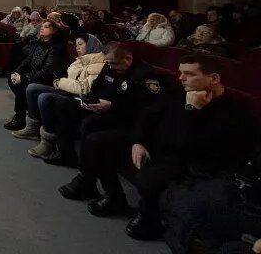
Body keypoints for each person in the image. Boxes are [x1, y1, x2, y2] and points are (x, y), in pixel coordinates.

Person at [76, 53, 258, 240]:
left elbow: (195, 147)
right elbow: (148, 115)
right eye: (180, 73)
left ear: (213, 78)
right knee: (95, 142)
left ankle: (150, 218)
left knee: (149, 178)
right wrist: (138, 141)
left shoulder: (234, 109)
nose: (181, 78)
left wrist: (192, 111)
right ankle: (114, 197)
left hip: (188, 159)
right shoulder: (178, 91)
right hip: (156, 144)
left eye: (189, 74)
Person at [55, 41, 168, 172]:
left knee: (89, 124)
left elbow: (143, 109)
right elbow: (96, 86)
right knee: (63, 105)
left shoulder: (144, 75)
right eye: (108, 63)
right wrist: (90, 100)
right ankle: (66, 154)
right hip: (101, 106)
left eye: (114, 63)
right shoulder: (110, 66)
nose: (110, 67)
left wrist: (112, 106)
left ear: (128, 59)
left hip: (121, 115)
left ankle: (85, 171)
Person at [12, 33, 107, 160]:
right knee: (32, 88)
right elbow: (71, 78)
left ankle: (48, 140)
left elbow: (84, 88)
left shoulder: (98, 65)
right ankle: (32, 128)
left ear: (91, 45)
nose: (77, 47)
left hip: (77, 97)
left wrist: (60, 82)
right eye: (76, 44)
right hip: (66, 90)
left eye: (81, 44)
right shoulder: (80, 60)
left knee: (44, 98)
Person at [3, 20, 68, 131]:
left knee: (21, 86)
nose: (42, 28)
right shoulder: (38, 42)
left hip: (48, 79)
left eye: (46, 27)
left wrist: (24, 78)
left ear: (54, 31)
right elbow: (27, 60)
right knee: (12, 78)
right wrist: (17, 72)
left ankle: (21, 118)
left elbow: (47, 70)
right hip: (34, 75)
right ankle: (25, 113)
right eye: (42, 26)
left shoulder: (57, 47)